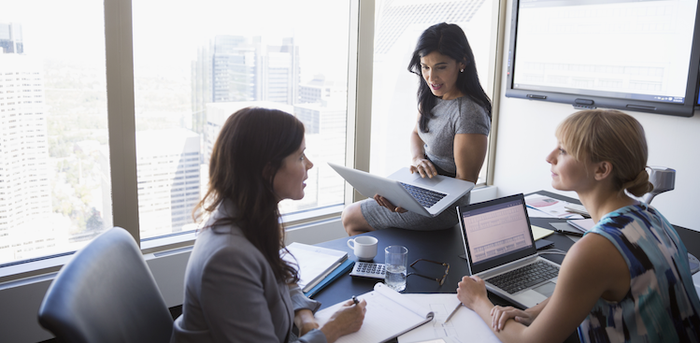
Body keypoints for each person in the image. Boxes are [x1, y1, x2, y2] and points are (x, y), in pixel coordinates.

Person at [456, 109, 700, 343]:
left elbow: (529, 341)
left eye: (563, 151)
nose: (549, 157)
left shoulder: (594, 250)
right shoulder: (651, 215)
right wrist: (533, 313)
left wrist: (478, 300)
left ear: (601, 169)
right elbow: (583, 289)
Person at [171, 107, 366, 343]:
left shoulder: (248, 216)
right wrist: (332, 330)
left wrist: (305, 319)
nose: (310, 164)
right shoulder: (228, 258)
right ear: (267, 170)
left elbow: (280, 275)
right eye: (300, 157)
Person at [342, 22, 492, 236]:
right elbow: (416, 134)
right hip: (422, 188)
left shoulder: (468, 112)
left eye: (441, 67)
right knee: (364, 208)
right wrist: (417, 159)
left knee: (350, 217)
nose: (431, 77)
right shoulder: (432, 96)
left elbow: (464, 183)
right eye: (425, 67)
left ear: (462, 62)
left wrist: (418, 201)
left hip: (445, 206)